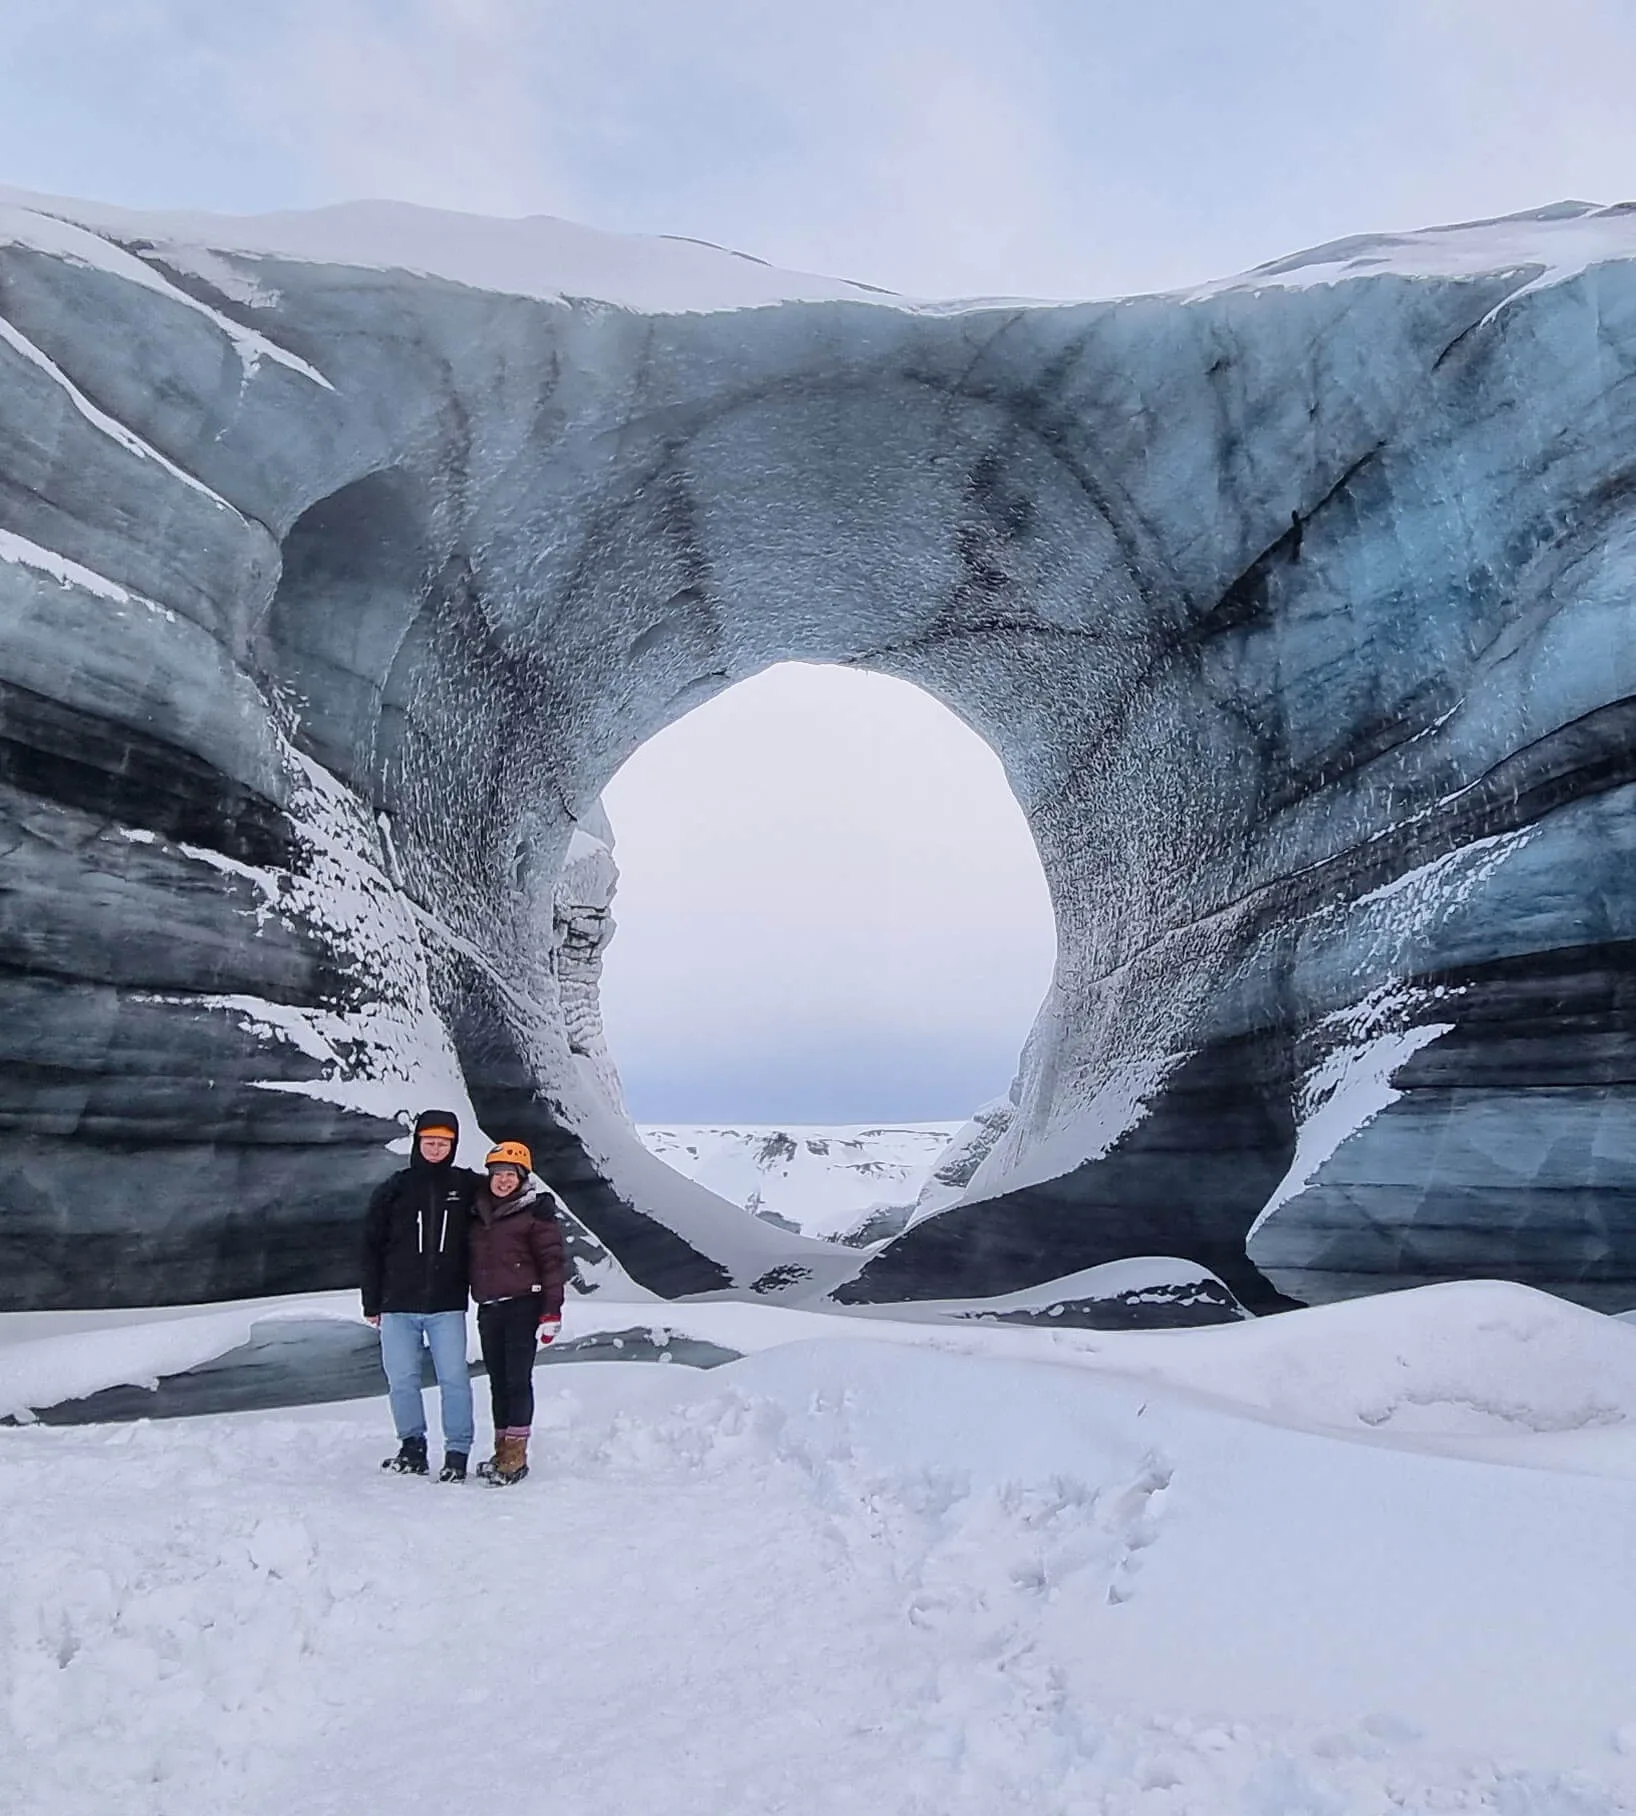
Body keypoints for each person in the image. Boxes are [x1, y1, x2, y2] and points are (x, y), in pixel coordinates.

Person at [360, 1108, 482, 1482]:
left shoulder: (467, 1187)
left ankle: (457, 1453)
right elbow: (370, 1246)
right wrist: (372, 1300)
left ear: (453, 1145)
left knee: (454, 1380)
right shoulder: (395, 1188)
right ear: (418, 1142)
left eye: (443, 1142)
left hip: (446, 1306)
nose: (435, 1148)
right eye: (429, 1141)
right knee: (402, 1381)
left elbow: (507, 1199)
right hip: (397, 1305)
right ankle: (412, 1447)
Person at [469, 1139, 568, 1486]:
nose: (503, 1180)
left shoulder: (534, 1214)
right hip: (490, 1308)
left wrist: (551, 1311)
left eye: (511, 1174)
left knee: (516, 1380)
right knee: (498, 1382)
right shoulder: (480, 1211)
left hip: (523, 1306)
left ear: (523, 1177)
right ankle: (502, 1451)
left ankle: (515, 1457)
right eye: (498, 1173)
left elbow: (552, 1264)